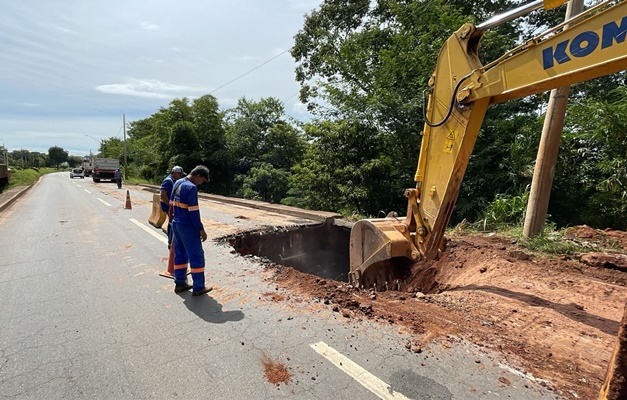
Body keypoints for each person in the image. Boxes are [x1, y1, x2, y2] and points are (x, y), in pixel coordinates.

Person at [171, 165, 212, 296]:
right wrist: (201, 229)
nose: (201, 184)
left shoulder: (178, 182)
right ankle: (199, 286)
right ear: (198, 176)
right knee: (196, 255)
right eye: (202, 181)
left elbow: (171, 204)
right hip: (187, 226)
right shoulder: (191, 188)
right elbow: (193, 212)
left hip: (176, 223)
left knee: (180, 253)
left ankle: (180, 283)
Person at [160, 166, 185, 250]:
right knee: (172, 223)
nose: (180, 176)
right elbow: (163, 195)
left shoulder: (174, 180)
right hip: (167, 206)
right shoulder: (168, 181)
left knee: (171, 222)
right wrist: (170, 206)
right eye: (180, 174)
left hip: (170, 205)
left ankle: (171, 241)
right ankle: (170, 242)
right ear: (175, 173)